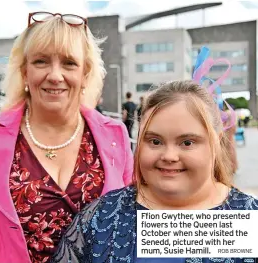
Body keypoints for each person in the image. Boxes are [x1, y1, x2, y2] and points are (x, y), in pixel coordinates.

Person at [0, 12, 133, 263]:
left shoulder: (116, 136)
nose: (55, 75)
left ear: (85, 73)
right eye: (41, 61)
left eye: (69, 63)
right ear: (25, 71)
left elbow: (130, 228)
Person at [50, 80, 258, 263]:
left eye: (187, 142)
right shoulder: (101, 218)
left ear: (215, 142)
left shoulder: (249, 219)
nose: (169, 156)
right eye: (155, 141)